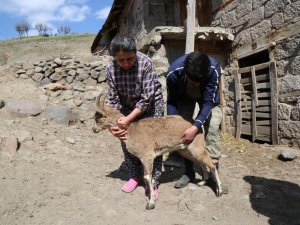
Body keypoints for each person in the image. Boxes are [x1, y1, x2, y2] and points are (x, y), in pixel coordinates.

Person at [105, 35, 165, 199]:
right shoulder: (110, 69)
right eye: (120, 60)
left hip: (151, 104)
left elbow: (147, 98)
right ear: (114, 58)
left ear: (135, 53)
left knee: (153, 144)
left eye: (129, 59)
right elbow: (113, 100)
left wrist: (129, 118)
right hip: (127, 104)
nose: (125, 63)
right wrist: (114, 126)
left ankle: (152, 181)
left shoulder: (145, 63)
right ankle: (135, 176)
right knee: (126, 141)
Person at [166, 52, 223, 189]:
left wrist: (196, 126)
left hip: (207, 98)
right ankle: (189, 172)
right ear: (185, 72)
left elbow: (208, 103)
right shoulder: (174, 73)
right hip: (184, 96)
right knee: (183, 132)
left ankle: (214, 175)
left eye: (200, 81)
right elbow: (172, 101)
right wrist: (173, 124)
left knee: (213, 127)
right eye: (193, 81)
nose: (197, 84)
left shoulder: (214, 69)